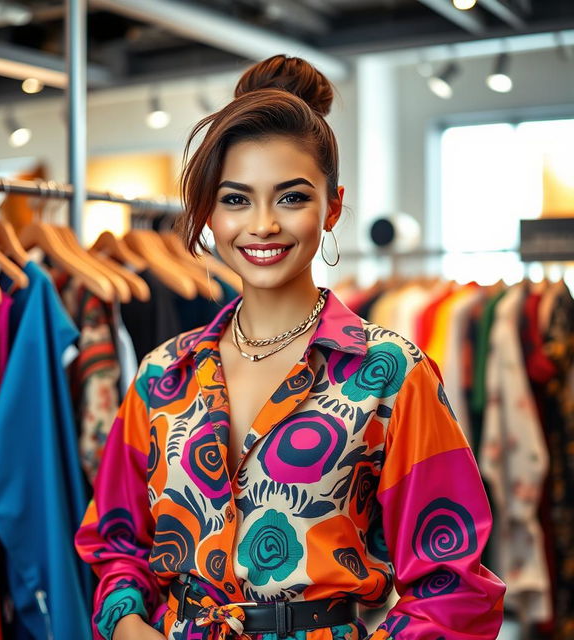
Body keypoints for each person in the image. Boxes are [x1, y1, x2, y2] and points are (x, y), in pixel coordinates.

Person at [75, 54, 506, 640]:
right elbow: (116, 540)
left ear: (331, 206)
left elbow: (454, 588)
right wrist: (126, 621)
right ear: (208, 211)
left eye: (291, 198)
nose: (262, 225)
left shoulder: (388, 371)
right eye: (235, 199)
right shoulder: (162, 374)